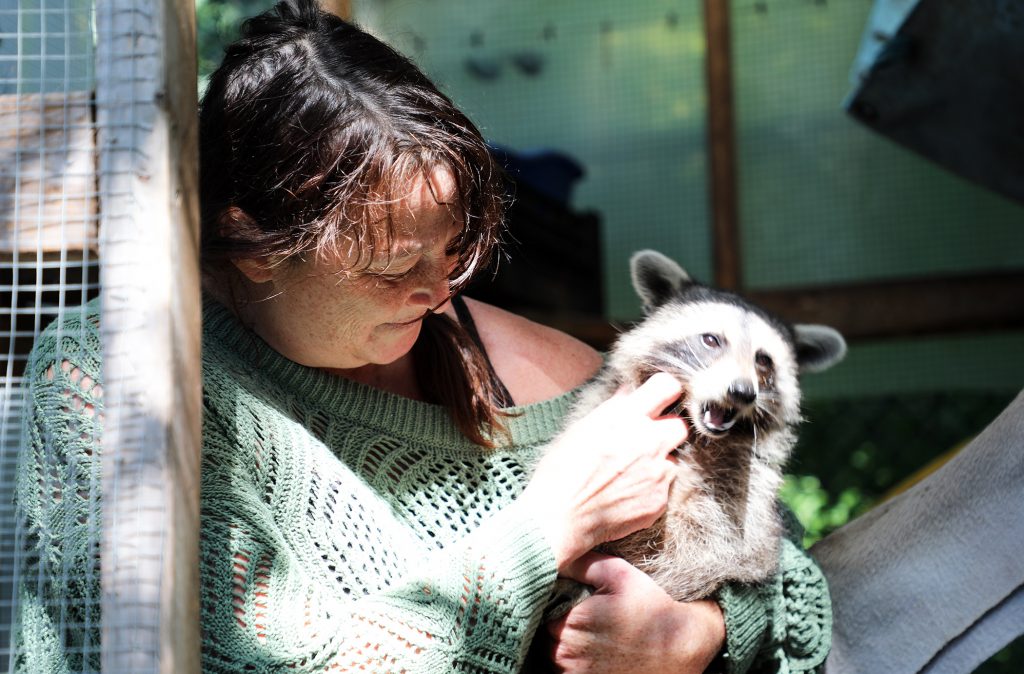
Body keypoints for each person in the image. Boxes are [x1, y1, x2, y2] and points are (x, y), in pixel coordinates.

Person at [14, 1, 832, 672]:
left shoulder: (542, 370)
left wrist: (699, 634)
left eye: (456, 248)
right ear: (257, 249)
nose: (441, 290)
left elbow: (786, 572)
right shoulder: (115, 384)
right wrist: (549, 525)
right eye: (394, 265)